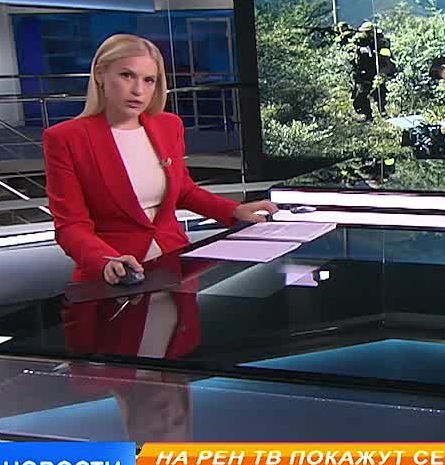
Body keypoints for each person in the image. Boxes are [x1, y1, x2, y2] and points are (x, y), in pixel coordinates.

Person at [42, 34, 277, 284]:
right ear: (100, 74)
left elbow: (183, 191)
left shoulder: (168, 125)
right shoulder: (65, 138)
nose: (138, 91)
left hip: (176, 266)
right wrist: (104, 260)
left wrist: (233, 210)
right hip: (116, 277)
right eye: (127, 75)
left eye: (149, 80)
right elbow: (70, 225)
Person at [342, 21, 396, 120]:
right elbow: (349, 51)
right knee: (361, 92)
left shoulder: (379, 40)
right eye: (366, 32)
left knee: (380, 90)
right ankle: (365, 114)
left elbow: (386, 54)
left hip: (377, 68)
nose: (368, 34)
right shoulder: (358, 41)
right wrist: (356, 49)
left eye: (369, 32)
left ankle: (383, 111)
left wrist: (377, 53)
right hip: (363, 70)